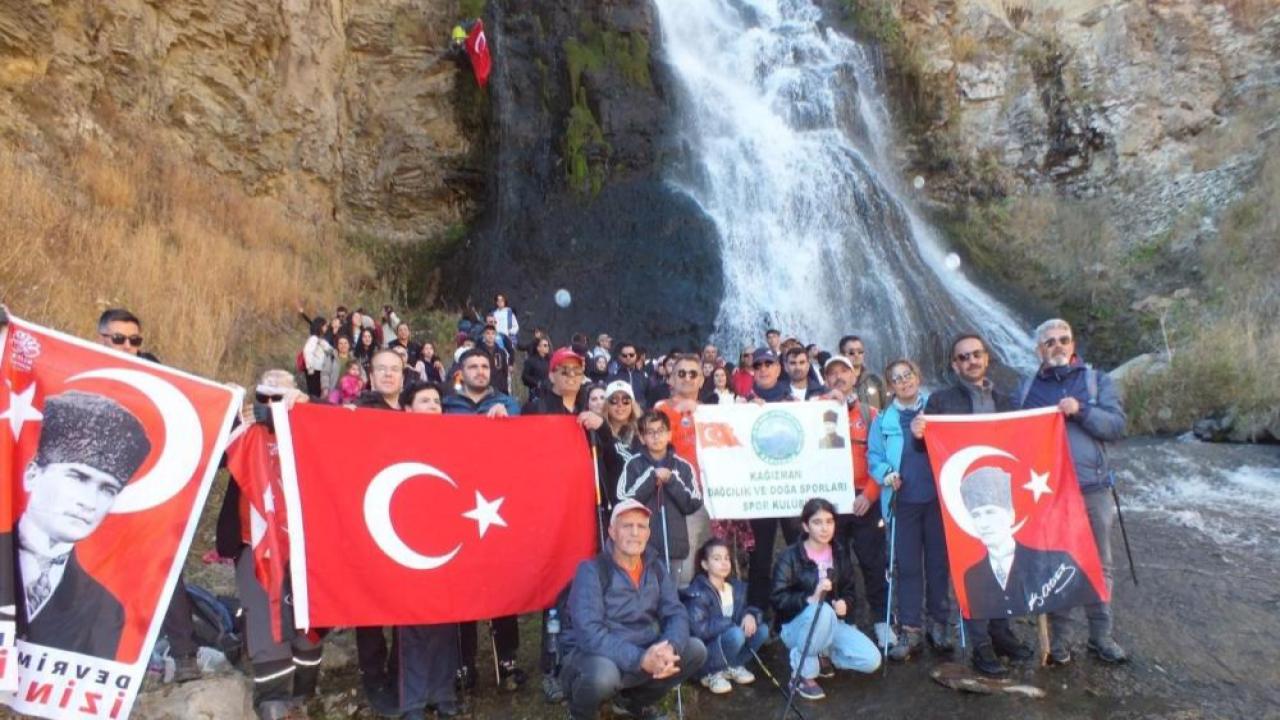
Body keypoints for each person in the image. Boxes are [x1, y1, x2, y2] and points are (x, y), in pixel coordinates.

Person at [914, 333, 1033, 676]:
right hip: (961, 496)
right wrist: (919, 432)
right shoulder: (939, 401)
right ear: (955, 365)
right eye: (963, 357)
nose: (971, 361)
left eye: (976, 355)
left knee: (1002, 562)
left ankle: (1001, 631)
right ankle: (979, 640)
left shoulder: (1007, 402)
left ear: (986, 358)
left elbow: (1023, 442)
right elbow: (926, 449)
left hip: (1001, 493)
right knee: (972, 567)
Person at [93, 308, 201, 680]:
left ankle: (185, 656)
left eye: (134, 340)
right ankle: (104, 658)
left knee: (165, 572)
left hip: (150, 492)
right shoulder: (83, 370)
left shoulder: (158, 377)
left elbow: (195, 409)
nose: (128, 347)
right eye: (118, 338)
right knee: (97, 574)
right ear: (101, 338)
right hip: (98, 495)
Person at [1017, 318, 1128, 664]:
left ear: (1073, 343)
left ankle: (1101, 636)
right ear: (1039, 350)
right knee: (1055, 565)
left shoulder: (1096, 381)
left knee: (1098, 564)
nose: (1057, 346)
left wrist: (1081, 411)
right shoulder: (1026, 389)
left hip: (1092, 488)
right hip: (1048, 493)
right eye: (1049, 342)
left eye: (1063, 339)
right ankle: (1059, 641)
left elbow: (1117, 426)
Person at [216, 371, 323, 720]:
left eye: (280, 399)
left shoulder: (310, 427)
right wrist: (225, 413)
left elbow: (350, 430)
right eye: (264, 399)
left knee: (307, 619)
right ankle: (273, 700)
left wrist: (312, 408)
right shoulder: (244, 430)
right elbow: (210, 453)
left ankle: (304, 695)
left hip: (306, 541)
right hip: (255, 540)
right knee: (263, 617)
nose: (270, 407)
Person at [14, 391, 148, 659]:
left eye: (108, 489)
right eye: (77, 477)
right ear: (32, 475)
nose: (89, 502)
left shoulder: (106, 610)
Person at [559, 500, 708, 720]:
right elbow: (589, 633)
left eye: (641, 526)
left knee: (694, 650)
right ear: (612, 531)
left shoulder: (656, 567)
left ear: (648, 533)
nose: (635, 533)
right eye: (627, 526)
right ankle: (579, 714)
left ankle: (631, 703)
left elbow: (675, 613)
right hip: (597, 656)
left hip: (643, 650)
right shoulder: (591, 570)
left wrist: (670, 647)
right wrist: (640, 659)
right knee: (603, 676)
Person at [521, 346, 605, 702]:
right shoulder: (536, 407)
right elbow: (514, 447)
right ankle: (552, 666)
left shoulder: (590, 411)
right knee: (554, 591)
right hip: (549, 513)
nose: (571, 376)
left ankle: (583, 657)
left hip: (585, 511)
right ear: (552, 374)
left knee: (585, 588)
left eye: (577, 371)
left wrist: (600, 427)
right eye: (564, 370)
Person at [441, 349, 526, 693]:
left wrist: (509, 419)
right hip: (457, 501)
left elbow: (526, 440)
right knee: (461, 585)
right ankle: (464, 661)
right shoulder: (447, 406)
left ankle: (508, 658)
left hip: (497, 503)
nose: (479, 371)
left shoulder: (509, 402)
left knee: (501, 581)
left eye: (484, 366)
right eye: (472, 366)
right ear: (461, 372)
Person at [868, 359, 952, 661]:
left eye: (908, 375)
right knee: (908, 567)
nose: (904, 382)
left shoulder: (938, 406)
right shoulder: (883, 421)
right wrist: (886, 473)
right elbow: (874, 457)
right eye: (897, 378)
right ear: (890, 386)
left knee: (938, 564)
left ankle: (939, 624)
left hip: (938, 500)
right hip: (902, 503)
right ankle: (911, 629)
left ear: (918, 376)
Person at [395, 381, 464, 719]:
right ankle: (413, 702)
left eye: (437, 401)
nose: (434, 406)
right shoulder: (390, 438)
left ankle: (443, 693)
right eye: (425, 401)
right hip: (406, 543)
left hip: (446, 541)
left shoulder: (452, 438)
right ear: (407, 408)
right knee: (412, 623)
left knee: (445, 620)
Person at [770, 498, 881, 701]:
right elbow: (777, 599)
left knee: (871, 660)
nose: (824, 528)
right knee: (822, 610)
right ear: (805, 525)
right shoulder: (790, 556)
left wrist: (845, 605)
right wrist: (809, 599)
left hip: (830, 622)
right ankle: (803, 673)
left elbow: (849, 591)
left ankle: (822, 651)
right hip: (795, 626)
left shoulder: (838, 553)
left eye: (829, 521)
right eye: (817, 522)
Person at [959, 467, 1101, 622]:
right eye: (976, 515)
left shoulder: (1052, 561)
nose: (984, 523)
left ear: (1010, 515)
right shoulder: (972, 576)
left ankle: (1063, 639)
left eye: (990, 512)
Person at [351, 349, 409, 714]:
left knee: (406, 603)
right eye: (382, 369)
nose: (388, 375)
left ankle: (401, 673)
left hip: (407, 522)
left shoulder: (413, 414)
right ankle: (374, 677)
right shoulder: (357, 412)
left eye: (395, 369)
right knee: (368, 603)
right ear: (371, 376)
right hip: (368, 517)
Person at [742, 347, 801, 612]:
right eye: (758, 365)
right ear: (752, 371)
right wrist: (742, 412)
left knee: (801, 551)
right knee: (759, 557)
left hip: (791, 489)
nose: (764, 369)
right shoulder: (741, 403)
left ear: (779, 368)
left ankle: (804, 608)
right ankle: (758, 615)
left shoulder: (796, 403)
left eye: (769, 363)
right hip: (760, 491)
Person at [617, 412, 703, 588]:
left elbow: (693, 503)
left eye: (661, 431)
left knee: (671, 597)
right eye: (650, 432)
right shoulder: (633, 465)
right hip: (642, 548)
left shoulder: (683, 466)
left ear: (669, 434)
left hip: (674, 547)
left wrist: (671, 480)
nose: (656, 436)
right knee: (645, 597)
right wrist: (650, 478)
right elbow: (624, 501)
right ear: (642, 437)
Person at [653, 355, 711, 586]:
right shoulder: (662, 410)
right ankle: (677, 613)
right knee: (683, 564)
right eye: (681, 373)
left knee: (709, 557)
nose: (687, 378)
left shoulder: (711, 412)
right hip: (679, 496)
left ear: (701, 380)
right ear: (671, 380)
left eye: (693, 373)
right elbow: (654, 443)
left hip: (711, 497)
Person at [681, 539, 767, 695]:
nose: (724, 563)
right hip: (708, 651)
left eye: (726, 558)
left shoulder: (736, 587)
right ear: (705, 564)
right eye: (717, 558)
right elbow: (699, 630)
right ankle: (710, 673)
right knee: (736, 634)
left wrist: (750, 614)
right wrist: (730, 623)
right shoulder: (697, 592)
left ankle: (731, 666)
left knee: (762, 630)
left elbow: (751, 607)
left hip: (729, 641)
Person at [838, 335, 888, 411]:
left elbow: (887, 410)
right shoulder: (836, 384)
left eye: (860, 351)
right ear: (842, 355)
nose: (857, 355)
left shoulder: (876, 380)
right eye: (851, 352)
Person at [607, 343, 648, 409]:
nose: (628, 357)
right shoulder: (613, 377)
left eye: (631, 355)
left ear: (636, 356)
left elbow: (648, 397)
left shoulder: (644, 376)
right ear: (620, 357)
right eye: (624, 355)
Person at [301, 317, 333, 398]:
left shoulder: (319, 339)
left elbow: (330, 350)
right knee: (314, 393)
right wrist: (310, 367)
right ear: (320, 326)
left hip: (318, 370)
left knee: (317, 393)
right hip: (314, 370)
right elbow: (307, 351)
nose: (326, 328)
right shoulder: (313, 338)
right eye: (325, 326)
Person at [479, 325, 511, 393]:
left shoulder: (501, 352)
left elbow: (505, 372)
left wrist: (505, 390)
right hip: (484, 389)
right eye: (488, 333)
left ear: (495, 335)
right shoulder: (478, 352)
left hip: (499, 388)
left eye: (493, 333)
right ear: (484, 335)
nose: (490, 336)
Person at [522, 335, 552, 400]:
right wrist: (537, 383)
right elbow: (525, 377)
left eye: (547, 345)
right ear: (538, 348)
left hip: (549, 393)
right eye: (545, 345)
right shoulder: (531, 361)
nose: (547, 347)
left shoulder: (550, 360)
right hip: (536, 394)